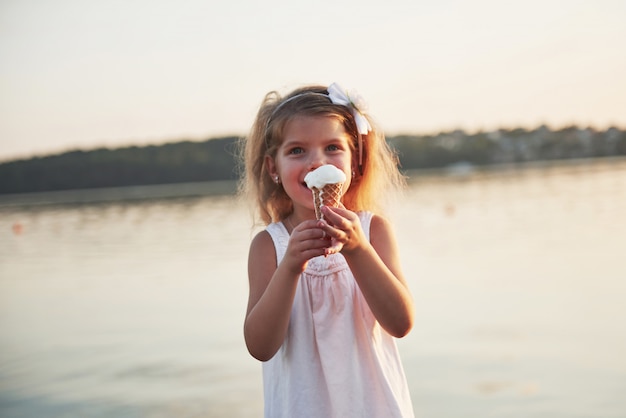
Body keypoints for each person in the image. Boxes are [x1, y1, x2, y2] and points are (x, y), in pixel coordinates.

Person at [240, 82, 415, 417]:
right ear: (273, 168)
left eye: (333, 147)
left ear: (356, 161)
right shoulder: (269, 245)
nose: (316, 162)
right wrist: (289, 267)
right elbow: (260, 347)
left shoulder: (373, 231)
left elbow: (401, 323)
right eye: (297, 151)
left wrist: (359, 250)